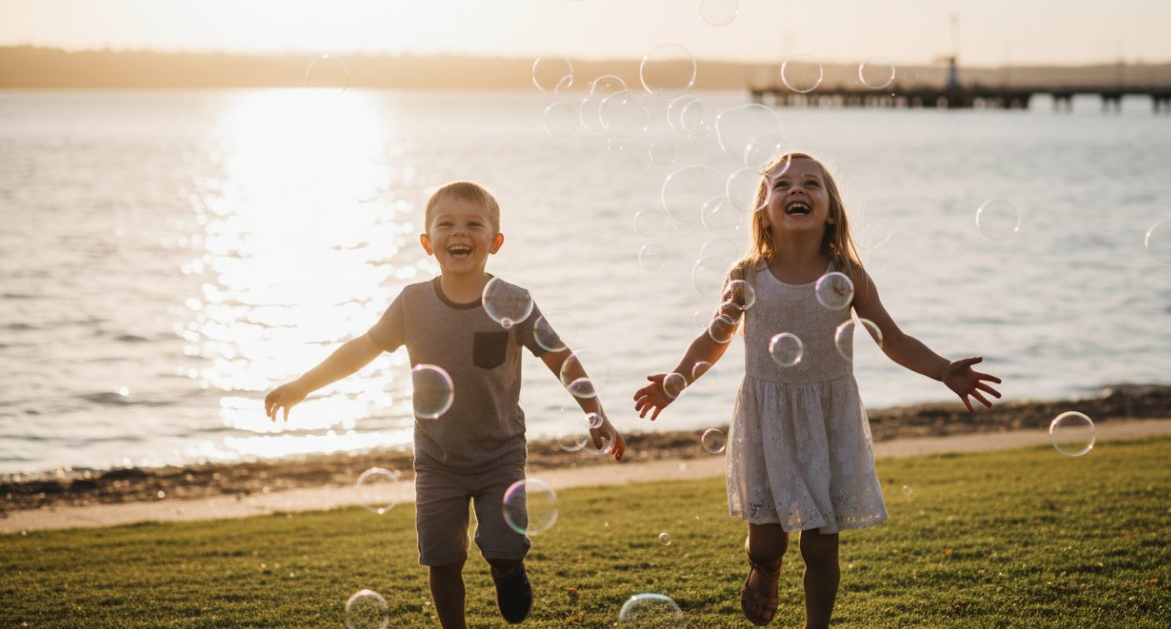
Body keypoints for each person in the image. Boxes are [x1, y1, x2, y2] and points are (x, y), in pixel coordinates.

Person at [633, 152, 1001, 628]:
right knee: (767, 543)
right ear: (764, 209)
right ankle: (764, 572)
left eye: (811, 183)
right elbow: (715, 338)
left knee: (822, 545)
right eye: (782, 185)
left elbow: (891, 338)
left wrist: (943, 370)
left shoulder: (846, 273)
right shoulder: (746, 275)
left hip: (828, 418)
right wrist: (676, 379)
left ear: (830, 209)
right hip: (768, 417)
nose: (797, 190)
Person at [264, 181, 625, 629]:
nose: (460, 233)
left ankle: (507, 569)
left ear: (495, 242)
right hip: (437, 460)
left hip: (500, 455)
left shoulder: (513, 301)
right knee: (442, 559)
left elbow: (561, 358)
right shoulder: (413, 303)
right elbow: (362, 349)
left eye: (474, 224)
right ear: (427, 242)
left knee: (503, 546)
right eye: (446, 224)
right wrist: (303, 385)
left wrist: (596, 412)